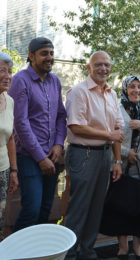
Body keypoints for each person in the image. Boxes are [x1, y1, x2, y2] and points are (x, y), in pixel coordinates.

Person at [64, 51, 125, 260]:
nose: (103, 69)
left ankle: (87, 253)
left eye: (107, 65)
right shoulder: (79, 92)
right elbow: (76, 127)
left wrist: (118, 160)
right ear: (88, 68)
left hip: (105, 155)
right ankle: (69, 255)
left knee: (96, 208)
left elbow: (117, 129)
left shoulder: (112, 93)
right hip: (84, 155)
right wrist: (108, 134)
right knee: (79, 208)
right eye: (98, 64)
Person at [9, 37, 67, 231]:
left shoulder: (55, 81)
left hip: (52, 155)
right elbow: (20, 123)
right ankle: (13, 253)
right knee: (31, 211)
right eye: (44, 53)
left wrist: (59, 144)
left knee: (45, 210)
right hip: (28, 157)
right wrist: (41, 158)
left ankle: (37, 253)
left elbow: (60, 115)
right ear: (31, 56)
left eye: (51, 53)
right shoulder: (20, 80)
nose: (49, 57)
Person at [100, 76, 140, 260]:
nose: (136, 90)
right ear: (125, 89)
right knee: (120, 207)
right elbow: (109, 138)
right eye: (132, 87)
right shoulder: (115, 109)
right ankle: (123, 247)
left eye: (139, 87)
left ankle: (138, 247)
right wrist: (125, 153)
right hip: (120, 166)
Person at [0, 51, 19, 240]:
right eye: (1, 71)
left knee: (0, 221)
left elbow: (10, 137)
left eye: (10, 71)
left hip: (3, 171)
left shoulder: (10, 101)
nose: (7, 76)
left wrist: (13, 170)